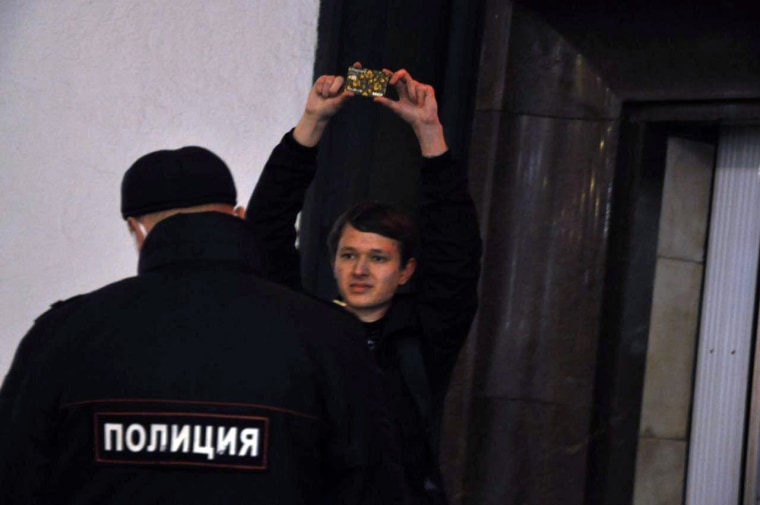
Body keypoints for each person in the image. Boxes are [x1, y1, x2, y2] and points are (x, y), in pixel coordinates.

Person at [0, 146, 403, 504]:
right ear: (238, 217)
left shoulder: (63, 334)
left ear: (136, 230)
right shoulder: (327, 337)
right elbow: (376, 486)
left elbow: (14, 479)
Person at [247, 66, 482, 504]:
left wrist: (429, 132)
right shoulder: (309, 331)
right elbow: (265, 235)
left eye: (378, 258)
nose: (360, 270)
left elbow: (456, 255)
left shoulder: (422, 338)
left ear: (406, 271)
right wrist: (312, 123)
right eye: (349, 255)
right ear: (333, 262)